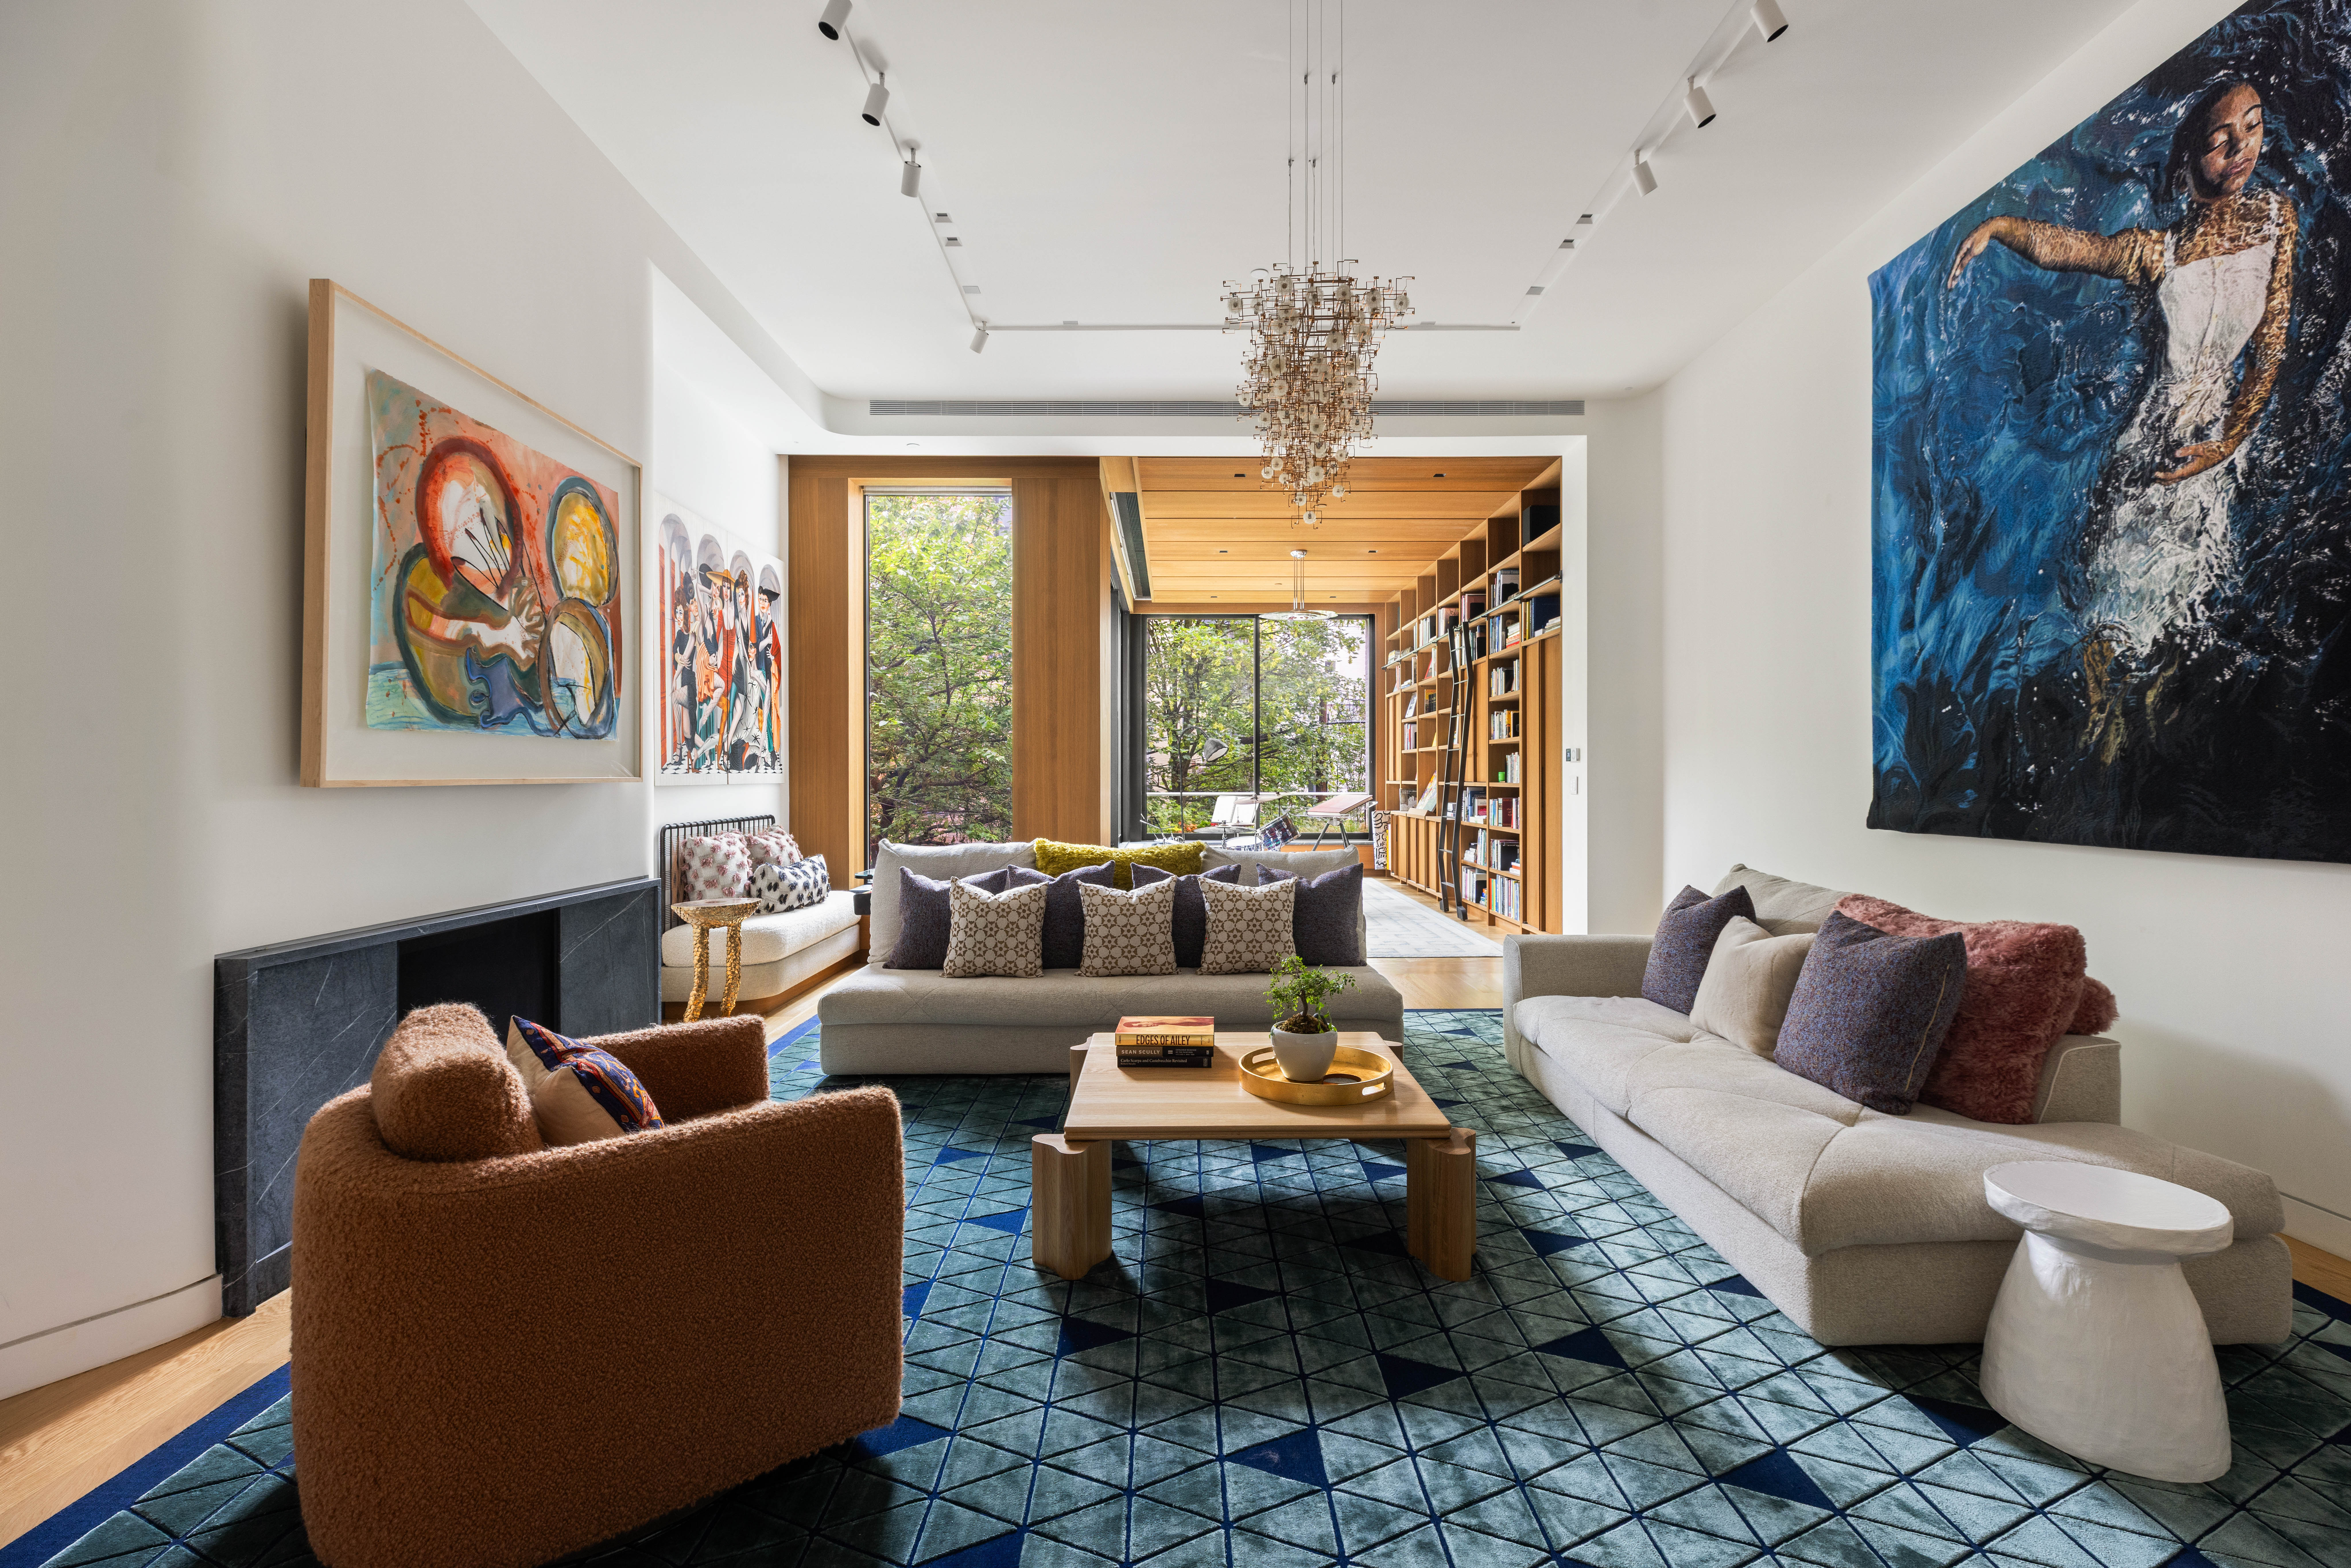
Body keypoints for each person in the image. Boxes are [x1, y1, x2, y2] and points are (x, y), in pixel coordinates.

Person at [1946, 79, 2295, 759]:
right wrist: (1997, 228)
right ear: (2190, 155)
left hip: (2213, 455)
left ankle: (2135, 747)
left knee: (2174, 619)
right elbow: (2074, 248)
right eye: (2221, 140)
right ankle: (2090, 758)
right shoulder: (2157, 253)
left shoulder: (2277, 220)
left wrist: (2227, 441)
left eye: (2253, 128)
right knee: (2112, 625)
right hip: (2150, 461)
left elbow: (2272, 347)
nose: (2241, 150)